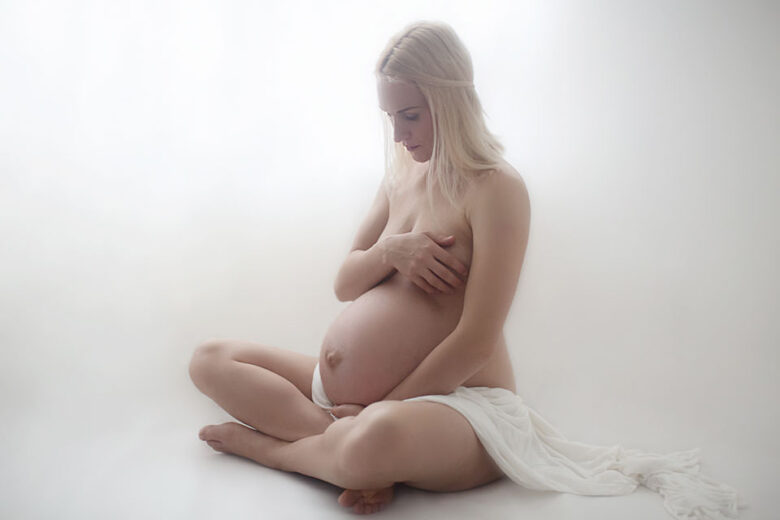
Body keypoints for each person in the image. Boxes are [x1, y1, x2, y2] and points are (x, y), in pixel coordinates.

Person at [189, 21, 745, 518]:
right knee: (210, 359)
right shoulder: (400, 175)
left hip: (456, 406)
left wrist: (380, 409)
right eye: (390, 117)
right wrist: (392, 251)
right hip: (351, 404)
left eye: (410, 115)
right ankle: (340, 450)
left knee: (374, 439)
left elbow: (476, 341)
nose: (399, 134)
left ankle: (279, 451)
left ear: (450, 100)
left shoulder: (496, 188)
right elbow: (344, 283)